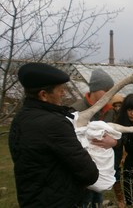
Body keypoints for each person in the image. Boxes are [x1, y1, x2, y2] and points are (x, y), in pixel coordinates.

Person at [8, 62, 99, 207]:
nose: (63, 93)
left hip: (31, 199)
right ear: (43, 95)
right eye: (59, 90)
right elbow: (89, 173)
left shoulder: (20, 119)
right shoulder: (54, 124)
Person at [71, 68, 117, 208]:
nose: (110, 94)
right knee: (83, 201)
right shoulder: (76, 110)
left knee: (97, 199)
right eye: (106, 90)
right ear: (94, 89)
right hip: (81, 168)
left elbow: (118, 134)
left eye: (111, 90)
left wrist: (114, 141)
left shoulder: (110, 111)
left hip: (101, 168)